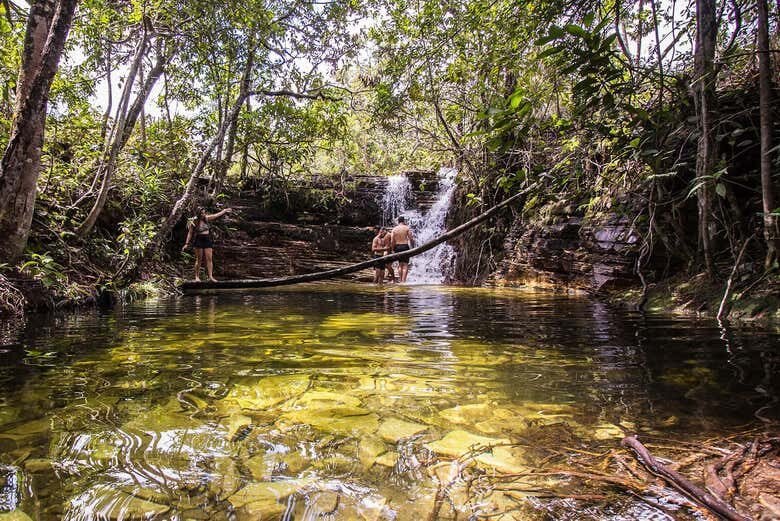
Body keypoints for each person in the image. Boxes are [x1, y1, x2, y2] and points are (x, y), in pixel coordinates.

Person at [183, 206, 232, 282]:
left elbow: (216, 215)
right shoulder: (193, 221)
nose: (203, 214)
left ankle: (210, 277)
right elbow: (190, 233)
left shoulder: (206, 218)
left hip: (207, 239)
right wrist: (186, 243)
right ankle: (197, 277)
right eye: (201, 213)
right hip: (198, 239)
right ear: (198, 213)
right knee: (199, 259)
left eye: (204, 213)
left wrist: (224, 210)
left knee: (209, 259)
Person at [390, 216, 414, 283]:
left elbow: (392, 241)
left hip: (397, 247)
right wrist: (413, 247)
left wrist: (392, 249)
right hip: (405, 246)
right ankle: (404, 281)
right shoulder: (406, 228)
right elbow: (411, 238)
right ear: (404, 221)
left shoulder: (394, 229)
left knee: (400, 264)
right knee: (405, 265)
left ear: (398, 221)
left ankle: (400, 280)